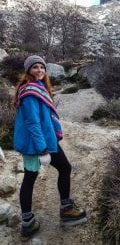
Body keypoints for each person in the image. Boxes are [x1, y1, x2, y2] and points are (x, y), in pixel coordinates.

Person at [13, 55, 87, 242]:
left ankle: (30, 222)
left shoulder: (38, 87)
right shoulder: (30, 91)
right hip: (38, 144)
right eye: (35, 67)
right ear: (28, 70)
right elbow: (33, 123)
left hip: (43, 141)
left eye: (42, 67)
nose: (39, 70)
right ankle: (64, 210)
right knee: (48, 173)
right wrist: (43, 150)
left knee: (38, 175)